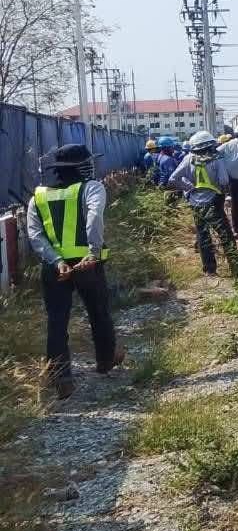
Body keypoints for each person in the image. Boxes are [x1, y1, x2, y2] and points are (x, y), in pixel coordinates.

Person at [26, 144, 123, 398]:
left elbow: (35, 236)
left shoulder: (38, 196)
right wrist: (92, 250)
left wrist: (57, 260)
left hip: (54, 268)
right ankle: (104, 360)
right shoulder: (91, 187)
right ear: (81, 166)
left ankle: (62, 379)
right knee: (98, 312)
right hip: (87, 265)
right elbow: (94, 219)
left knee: (57, 321)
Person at [170, 131, 238, 278]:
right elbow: (223, 181)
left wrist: (189, 188)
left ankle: (210, 270)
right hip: (214, 202)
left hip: (195, 203)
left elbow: (173, 179)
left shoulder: (188, 158)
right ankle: (235, 267)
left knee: (203, 236)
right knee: (225, 235)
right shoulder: (217, 158)